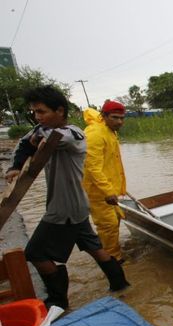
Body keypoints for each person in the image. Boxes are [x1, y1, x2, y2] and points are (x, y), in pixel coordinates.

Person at [5, 86, 130, 310]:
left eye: (42, 112)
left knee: (35, 252)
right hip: (76, 204)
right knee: (96, 249)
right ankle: (121, 286)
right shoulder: (58, 131)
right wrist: (15, 167)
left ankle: (58, 302)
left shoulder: (75, 134)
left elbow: (49, 138)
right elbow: (26, 143)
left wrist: (34, 137)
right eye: (34, 112)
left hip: (65, 207)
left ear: (60, 111)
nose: (37, 117)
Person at [82, 99, 127, 263]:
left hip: (109, 187)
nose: (119, 122)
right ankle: (113, 260)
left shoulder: (109, 131)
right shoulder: (95, 134)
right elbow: (93, 167)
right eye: (115, 117)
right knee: (108, 225)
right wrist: (108, 191)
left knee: (116, 220)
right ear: (104, 116)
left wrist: (117, 188)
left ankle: (111, 251)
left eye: (122, 118)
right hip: (98, 191)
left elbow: (110, 163)